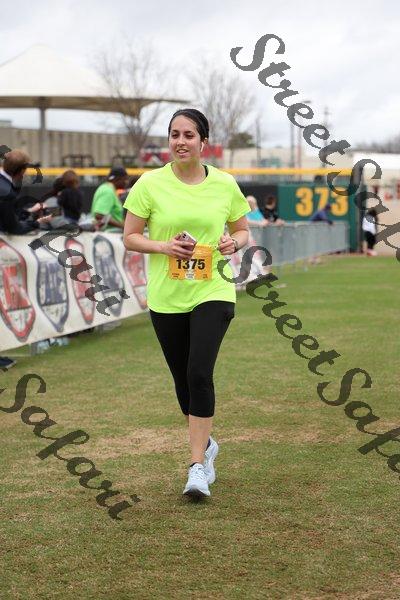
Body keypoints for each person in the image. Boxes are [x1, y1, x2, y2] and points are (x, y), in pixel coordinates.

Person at [123, 108, 250, 499]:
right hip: (167, 296)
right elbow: (130, 236)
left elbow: (242, 230)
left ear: (203, 142)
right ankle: (207, 445)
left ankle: (197, 468)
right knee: (183, 383)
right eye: (174, 134)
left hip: (213, 289)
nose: (180, 141)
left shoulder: (225, 184)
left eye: (189, 135)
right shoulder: (149, 184)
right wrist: (164, 247)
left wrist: (232, 243)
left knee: (199, 373)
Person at [0, 149, 52, 370]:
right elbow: (13, 227)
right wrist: (36, 222)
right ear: (21, 171)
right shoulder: (6, 190)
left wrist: (28, 213)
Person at [0, 149, 51, 234]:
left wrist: (29, 211)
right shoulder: (8, 193)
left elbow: (7, 213)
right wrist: (38, 222)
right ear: (22, 171)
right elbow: (14, 229)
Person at [91, 167, 128, 231]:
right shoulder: (108, 191)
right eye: (125, 179)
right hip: (108, 234)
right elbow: (99, 215)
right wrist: (122, 226)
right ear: (118, 179)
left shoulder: (106, 188)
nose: (126, 182)